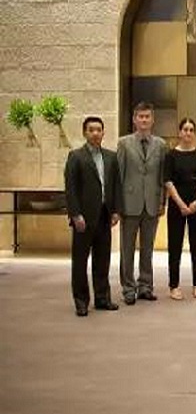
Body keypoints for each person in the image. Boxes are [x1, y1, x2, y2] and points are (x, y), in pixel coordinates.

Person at [64, 116, 122, 316]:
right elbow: (71, 188)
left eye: (99, 130)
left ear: (103, 132)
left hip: (105, 216)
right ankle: (81, 301)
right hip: (83, 218)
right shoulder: (76, 156)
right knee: (80, 262)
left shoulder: (111, 157)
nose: (96, 133)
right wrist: (75, 214)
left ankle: (102, 298)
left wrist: (116, 210)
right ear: (85, 133)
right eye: (91, 130)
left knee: (102, 260)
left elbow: (116, 186)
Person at [117, 101, 167, 305]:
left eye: (147, 116)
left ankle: (145, 286)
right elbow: (119, 176)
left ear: (153, 120)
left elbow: (163, 176)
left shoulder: (161, 145)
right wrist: (117, 206)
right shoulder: (124, 143)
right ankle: (128, 288)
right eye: (141, 116)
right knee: (127, 249)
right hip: (129, 203)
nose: (144, 120)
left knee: (148, 249)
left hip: (152, 203)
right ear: (134, 120)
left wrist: (163, 201)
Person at [163, 118, 196, 300]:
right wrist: (181, 204)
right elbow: (168, 181)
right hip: (177, 204)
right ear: (180, 132)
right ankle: (174, 286)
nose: (188, 133)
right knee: (175, 246)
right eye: (185, 129)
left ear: (194, 133)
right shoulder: (171, 155)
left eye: (191, 130)